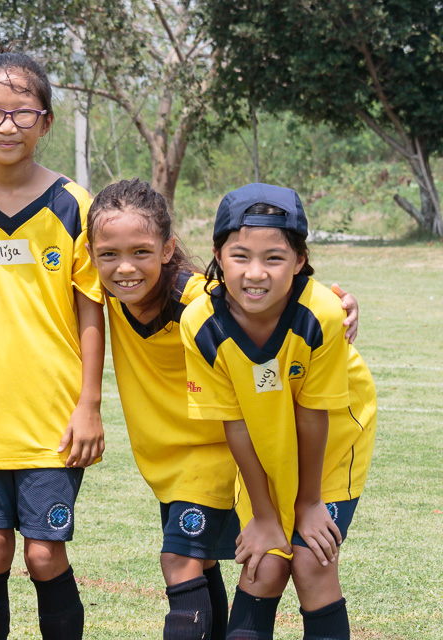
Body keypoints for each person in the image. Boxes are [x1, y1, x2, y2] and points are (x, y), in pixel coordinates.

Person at [86, 178, 359, 639]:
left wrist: (334, 308)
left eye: (141, 252)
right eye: (109, 254)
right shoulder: (108, 287)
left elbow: (268, 306)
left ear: (167, 249)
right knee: (245, 565)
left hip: (240, 448)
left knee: (271, 563)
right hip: (193, 452)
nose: (125, 266)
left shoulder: (204, 307)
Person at [0, 52, 104, 640]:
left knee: (44, 553)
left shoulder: (74, 206)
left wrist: (89, 404)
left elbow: (91, 308)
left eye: (24, 112)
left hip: (51, 418)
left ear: (47, 121)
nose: (8, 126)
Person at [180, 183, 377, 639]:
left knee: (311, 561)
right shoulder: (201, 324)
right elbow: (234, 423)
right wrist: (266, 517)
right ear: (218, 255)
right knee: (264, 565)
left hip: (333, 440)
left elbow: (313, 414)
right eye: (240, 256)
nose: (256, 273)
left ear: (300, 260)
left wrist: (308, 504)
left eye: (274, 258)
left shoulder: (320, 313)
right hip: (262, 437)